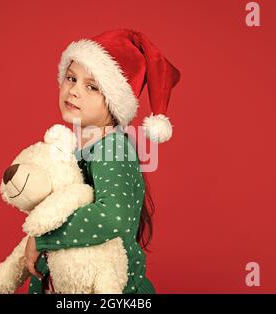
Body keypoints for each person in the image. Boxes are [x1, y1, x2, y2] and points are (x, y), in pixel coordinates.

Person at [24, 28, 181, 294]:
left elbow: (113, 216)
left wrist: (43, 236)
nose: (74, 90)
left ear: (114, 101)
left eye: (92, 86)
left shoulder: (112, 148)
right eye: (71, 78)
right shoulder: (79, 147)